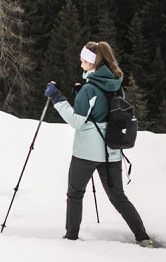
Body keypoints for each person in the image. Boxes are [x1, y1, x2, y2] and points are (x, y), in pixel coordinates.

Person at [45, 41, 152, 247]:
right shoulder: (116, 85)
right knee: (118, 197)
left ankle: (71, 238)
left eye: (83, 60)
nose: (81, 63)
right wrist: (81, 98)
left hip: (86, 152)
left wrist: (57, 98)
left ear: (93, 62)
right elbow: (106, 111)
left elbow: (76, 121)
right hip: (112, 150)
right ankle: (143, 237)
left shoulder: (89, 89)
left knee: (75, 194)